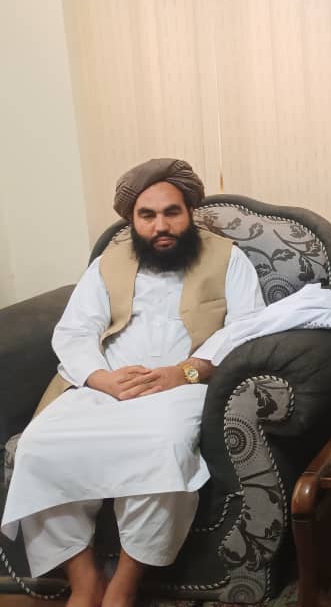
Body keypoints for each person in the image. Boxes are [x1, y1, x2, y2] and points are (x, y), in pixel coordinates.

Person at [1, 158, 264, 607]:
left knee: (163, 448)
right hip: (108, 384)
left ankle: (124, 584)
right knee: (38, 446)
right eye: (148, 215)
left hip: (181, 387)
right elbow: (75, 330)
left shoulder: (227, 257)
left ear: (190, 212)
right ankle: (84, 581)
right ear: (132, 220)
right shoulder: (110, 262)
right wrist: (102, 379)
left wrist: (185, 371)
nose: (161, 226)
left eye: (172, 212)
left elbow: (248, 327)